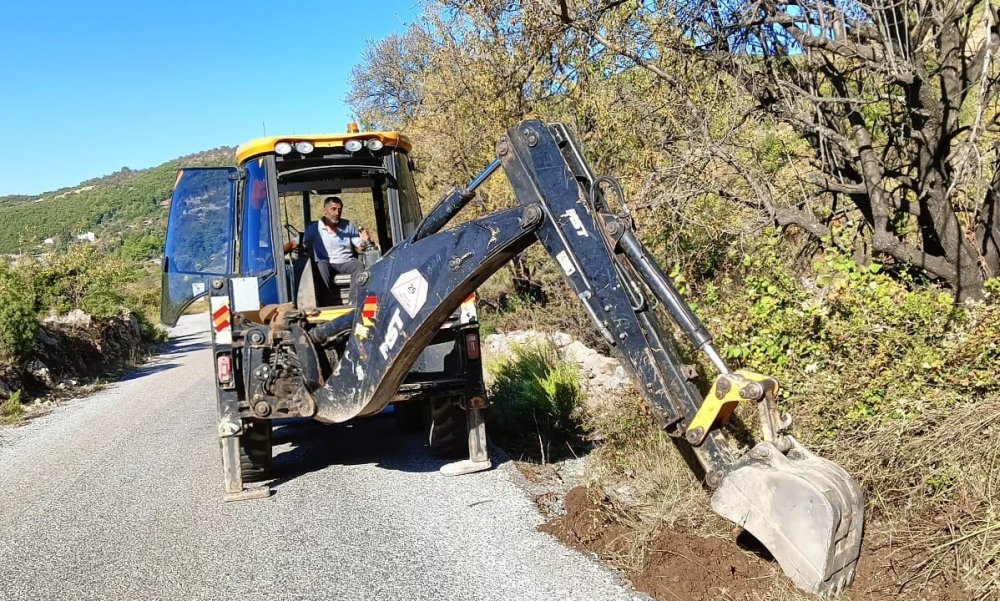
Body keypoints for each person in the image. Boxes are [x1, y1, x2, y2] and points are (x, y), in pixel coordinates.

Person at [302, 196, 371, 305]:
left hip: (346, 261)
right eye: (333, 209)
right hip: (326, 262)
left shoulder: (348, 225)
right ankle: (323, 303)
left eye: (339, 209)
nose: (337, 213)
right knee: (320, 267)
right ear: (325, 210)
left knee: (358, 265)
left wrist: (364, 241)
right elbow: (301, 244)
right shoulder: (313, 229)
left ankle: (354, 302)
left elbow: (360, 248)